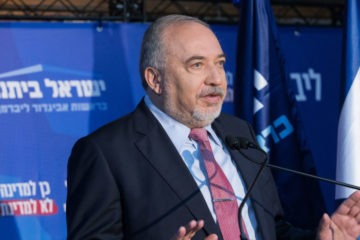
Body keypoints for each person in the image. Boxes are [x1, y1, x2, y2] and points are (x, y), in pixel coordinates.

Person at [66, 15, 360, 240]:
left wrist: (319, 237)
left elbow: (272, 229)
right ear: (155, 80)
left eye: (219, 63)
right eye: (197, 65)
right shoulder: (105, 153)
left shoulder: (239, 133)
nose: (217, 79)